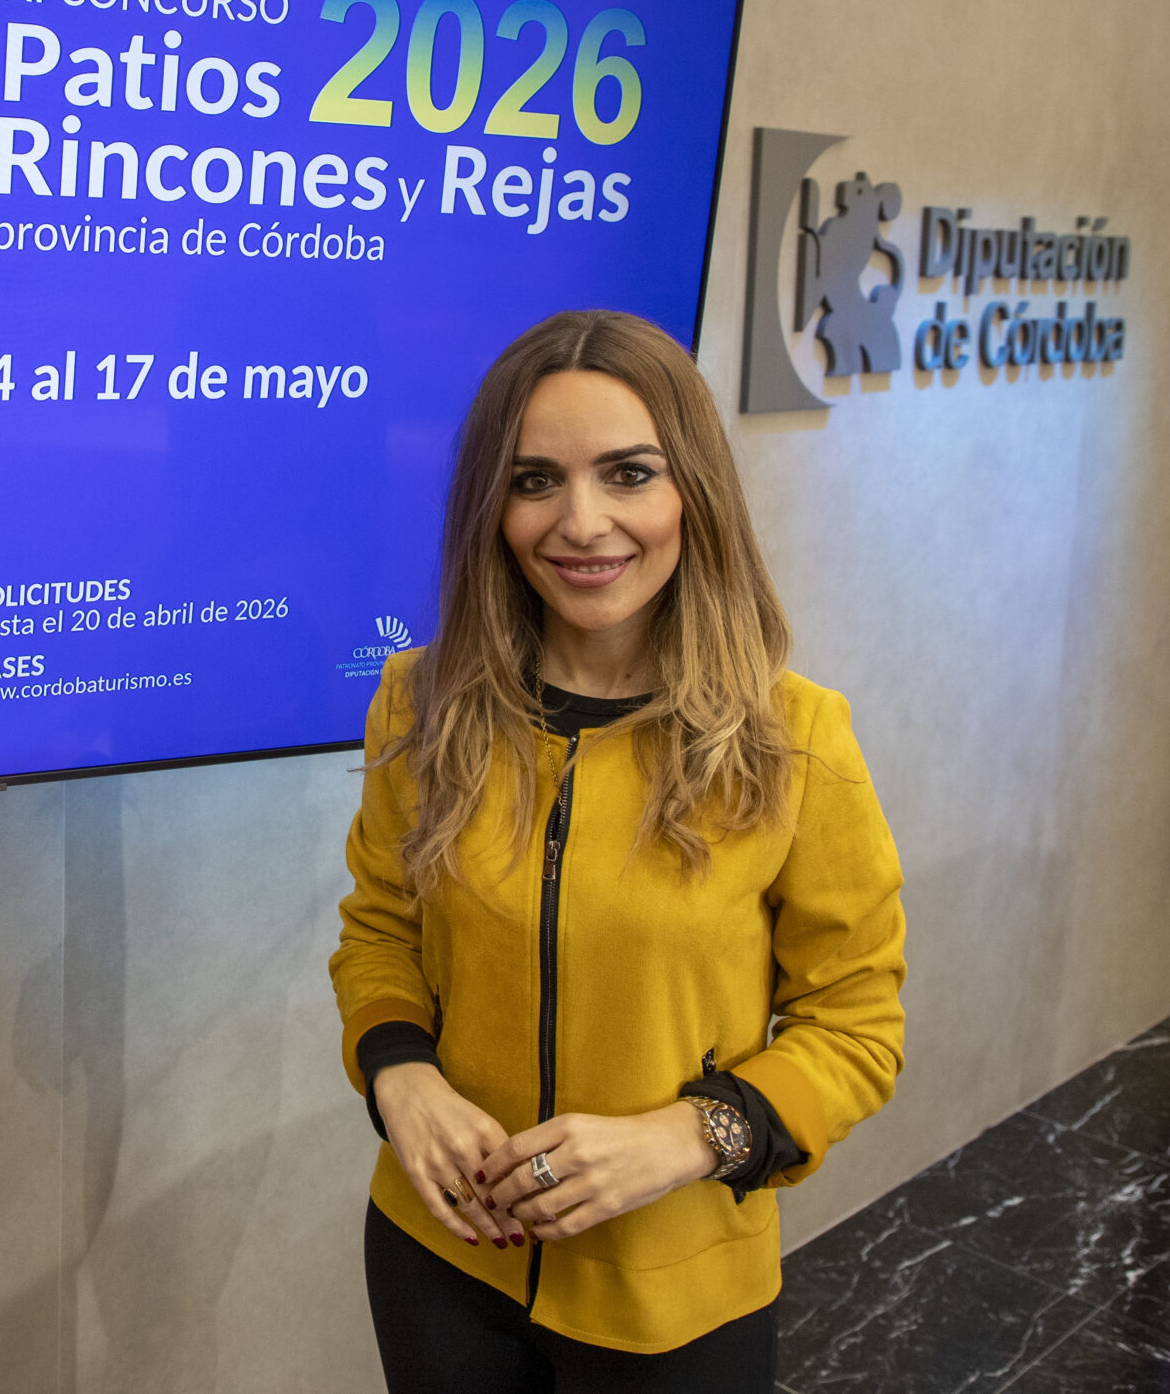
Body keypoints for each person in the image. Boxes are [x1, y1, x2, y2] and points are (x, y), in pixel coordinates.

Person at [330, 310, 906, 1392]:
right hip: (438, 1256)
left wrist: (689, 1137)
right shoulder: (420, 700)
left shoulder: (795, 740)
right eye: (535, 480)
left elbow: (856, 1024)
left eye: (629, 473)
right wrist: (399, 1074)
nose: (581, 522)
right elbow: (381, 930)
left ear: (693, 491)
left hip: (671, 1298)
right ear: (493, 507)